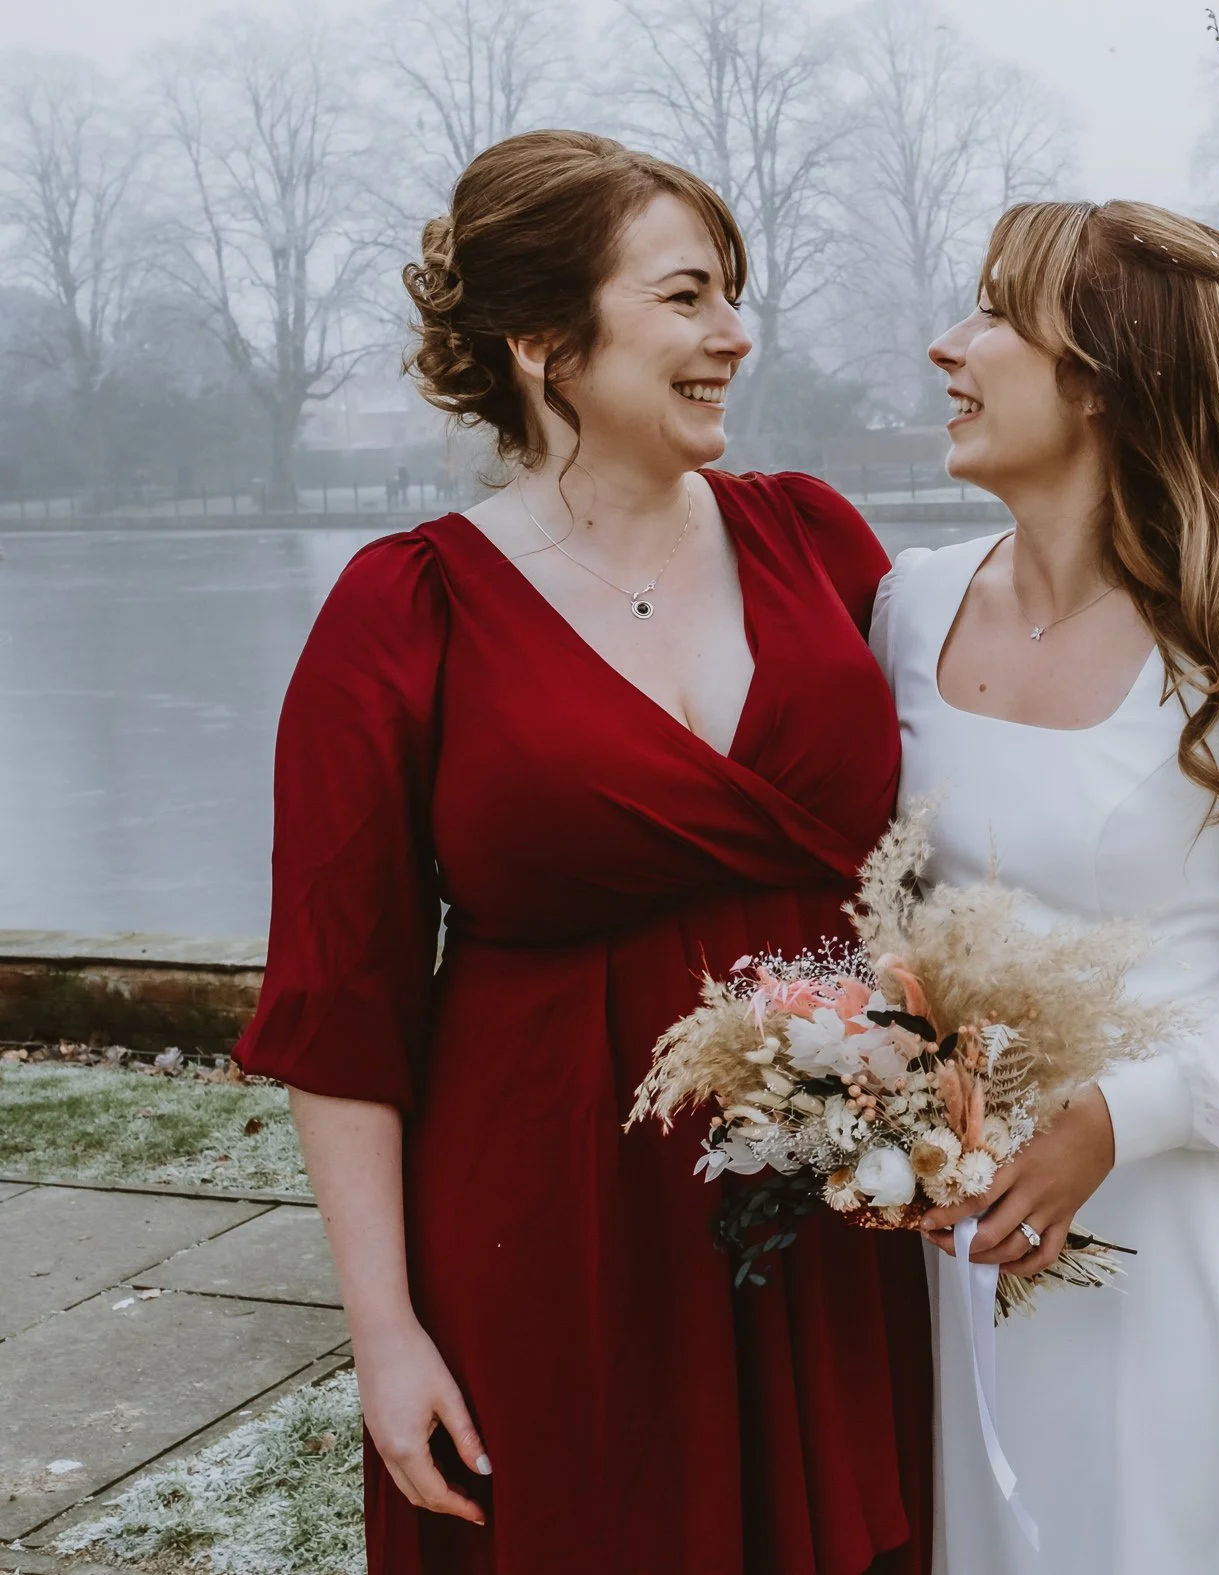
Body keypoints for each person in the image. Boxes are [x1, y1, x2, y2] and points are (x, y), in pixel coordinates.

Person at [236, 130, 930, 1575]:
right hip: (552, 1231)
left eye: (733, 294)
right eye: (687, 297)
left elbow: (955, 834)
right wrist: (385, 1334)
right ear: (549, 340)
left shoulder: (818, 541)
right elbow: (341, 1009)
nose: (736, 334)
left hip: (829, 1212)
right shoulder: (401, 611)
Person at [870, 200, 1219, 1573]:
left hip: (1181, 1251)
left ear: (1103, 376)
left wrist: (1119, 1118)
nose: (951, 344)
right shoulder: (909, 605)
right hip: (968, 1255)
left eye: (995, 315)